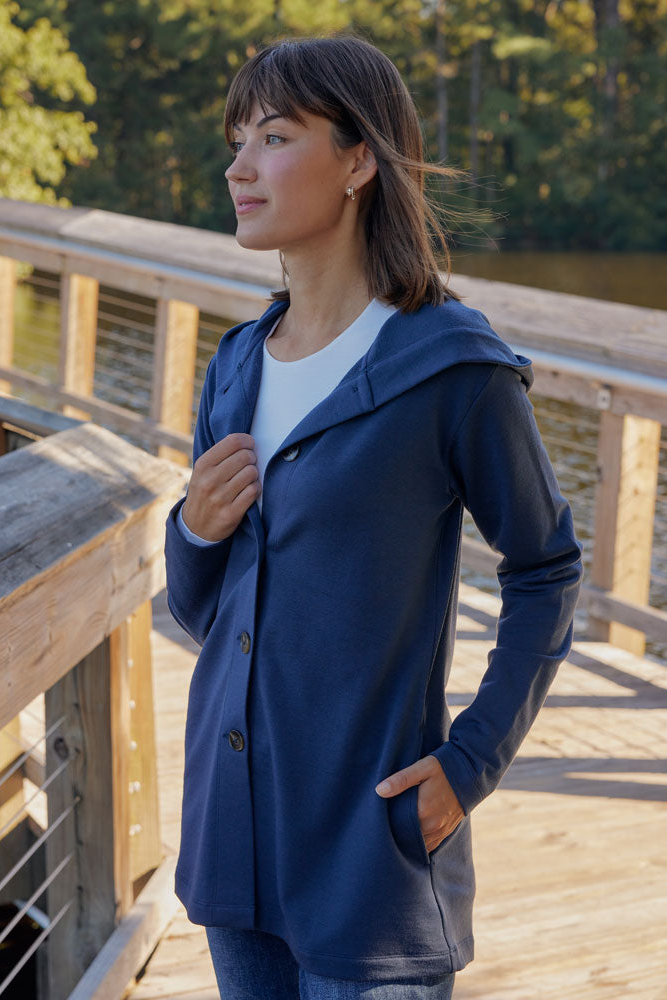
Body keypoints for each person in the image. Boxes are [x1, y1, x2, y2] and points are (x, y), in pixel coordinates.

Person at [164, 34, 582, 1000]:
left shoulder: (450, 366)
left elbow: (547, 569)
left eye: (273, 136)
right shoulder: (234, 365)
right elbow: (201, 616)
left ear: (359, 160)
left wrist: (470, 763)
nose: (238, 166)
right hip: (235, 841)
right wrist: (193, 532)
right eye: (237, 140)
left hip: (370, 863)